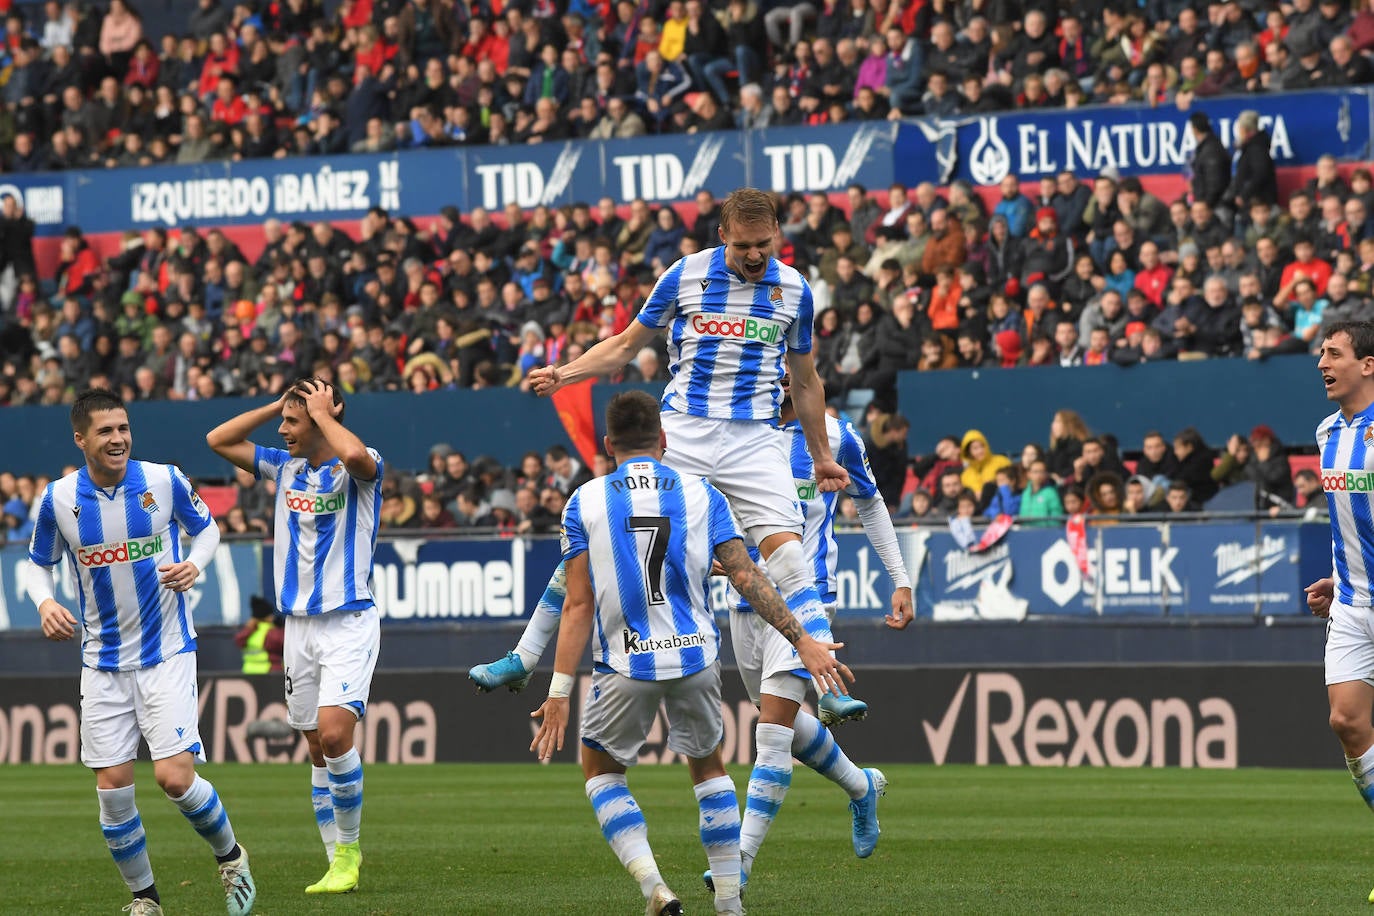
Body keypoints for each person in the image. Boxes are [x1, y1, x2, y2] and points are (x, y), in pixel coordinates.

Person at [527, 187, 857, 707]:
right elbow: (625, 345)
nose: (754, 255)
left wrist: (820, 458)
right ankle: (524, 657)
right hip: (683, 429)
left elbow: (807, 379)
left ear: (777, 236)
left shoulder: (794, 290)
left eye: (764, 245)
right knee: (607, 530)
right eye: (744, 244)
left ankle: (823, 674)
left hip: (755, 438)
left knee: (791, 557)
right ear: (723, 234)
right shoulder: (684, 275)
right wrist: (563, 374)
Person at [529, 391, 851, 916]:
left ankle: (655, 887)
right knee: (708, 769)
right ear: (663, 440)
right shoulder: (702, 494)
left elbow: (578, 604)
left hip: (625, 663)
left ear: (609, 445)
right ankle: (729, 904)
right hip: (695, 658)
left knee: (602, 772)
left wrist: (559, 690)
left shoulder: (583, 501)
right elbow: (747, 576)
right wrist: (802, 639)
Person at [28, 388, 256, 916]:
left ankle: (231, 857)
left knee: (175, 777)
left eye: (124, 428)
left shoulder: (163, 480)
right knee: (113, 792)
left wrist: (195, 564)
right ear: (81, 439)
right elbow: (38, 560)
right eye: (106, 431)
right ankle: (146, 900)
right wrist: (43, 602)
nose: (118, 439)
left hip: (166, 651)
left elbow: (207, 531)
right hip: (101, 662)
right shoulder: (59, 499)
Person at [206, 378, 383, 896]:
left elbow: (353, 453)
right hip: (298, 626)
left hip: (348, 619)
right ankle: (335, 863)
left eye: (292, 421)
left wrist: (324, 415)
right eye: (283, 421)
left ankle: (349, 850)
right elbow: (218, 439)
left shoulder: (362, 464)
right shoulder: (284, 467)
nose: (283, 430)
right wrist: (278, 404)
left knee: (334, 735)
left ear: (328, 415)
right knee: (314, 745)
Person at [1306, 320, 1374, 905]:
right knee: (1346, 722)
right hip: (1353, 603)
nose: (1322, 362)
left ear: (1368, 363)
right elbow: (1345, 520)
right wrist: (1338, 574)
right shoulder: (1327, 431)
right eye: (1321, 353)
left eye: (1333, 353)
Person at [234, 595, 284, 673]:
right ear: (268, 616)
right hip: (270, 672)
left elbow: (238, 640)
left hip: (249, 672)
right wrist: (281, 628)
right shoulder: (271, 632)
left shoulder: (249, 631)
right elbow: (284, 645)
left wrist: (248, 628)